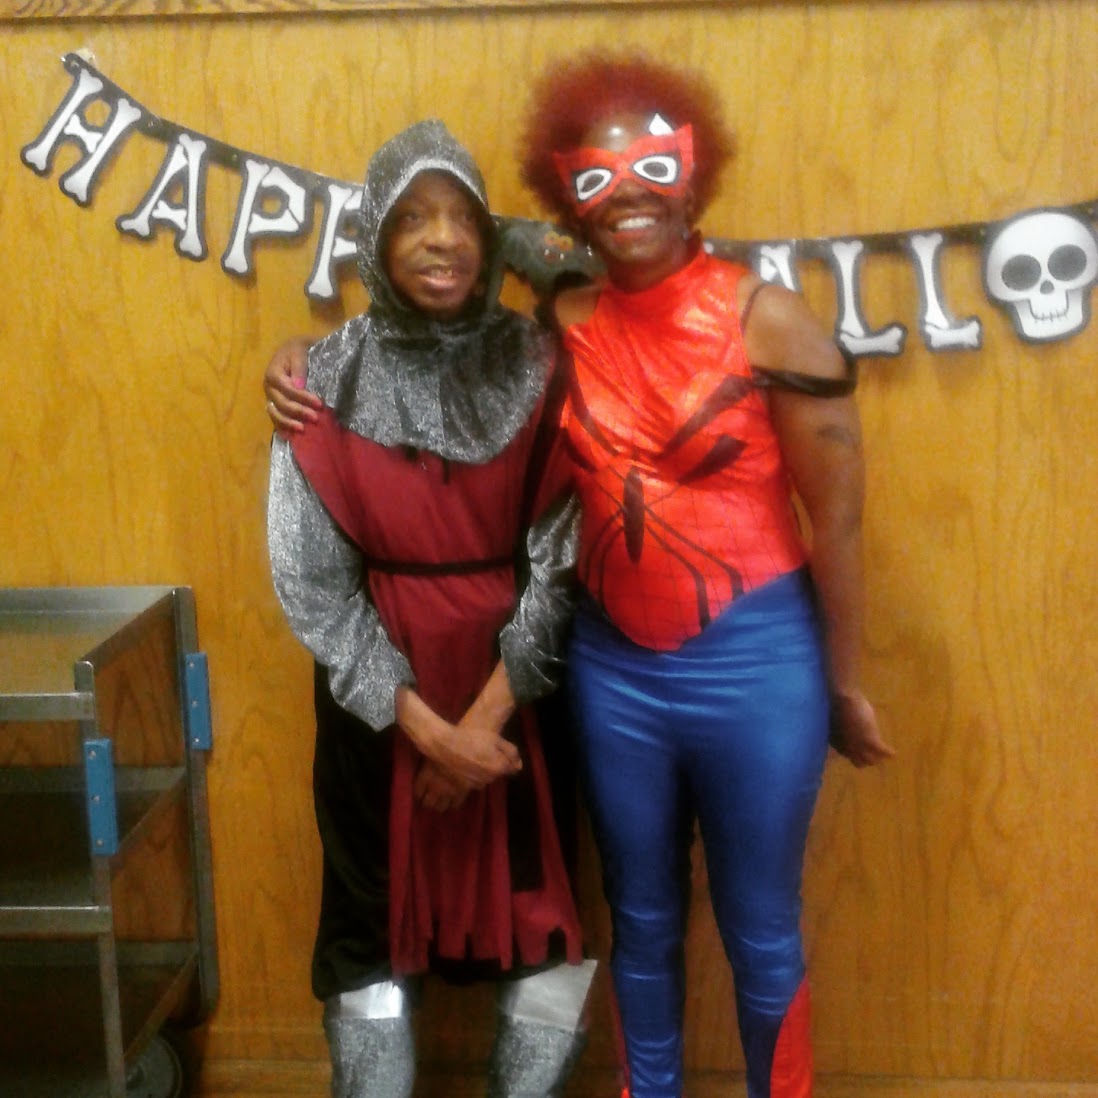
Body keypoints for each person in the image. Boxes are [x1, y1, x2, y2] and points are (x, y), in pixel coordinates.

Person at [514, 52, 895, 1098]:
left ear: (696, 175)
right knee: (638, 916)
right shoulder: (564, 320)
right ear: (566, 196)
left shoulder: (768, 317)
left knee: (761, 924)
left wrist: (845, 681)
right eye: (594, 176)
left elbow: (839, 520)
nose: (627, 192)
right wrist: (301, 357)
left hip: (758, 662)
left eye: (654, 165)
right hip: (613, 669)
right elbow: (464, 274)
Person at [266, 119, 595, 1098]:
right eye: (412, 218)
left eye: (460, 217)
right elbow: (314, 584)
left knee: (543, 909)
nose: (441, 239)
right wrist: (430, 734)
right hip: (378, 699)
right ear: (376, 236)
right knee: (368, 922)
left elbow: (563, 562)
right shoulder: (320, 378)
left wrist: (483, 725)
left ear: (488, 238)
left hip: (516, 686)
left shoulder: (543, 364)